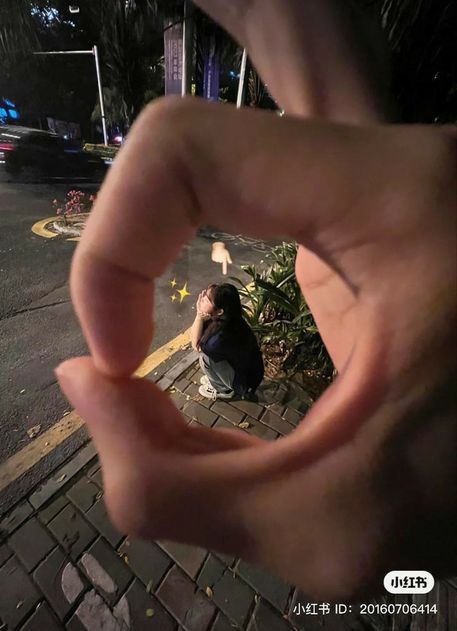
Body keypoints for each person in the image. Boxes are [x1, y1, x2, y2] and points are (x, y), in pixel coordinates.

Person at [55, 0, 456, 601]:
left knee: (202, 372)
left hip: (239, 383)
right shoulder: (241, 320)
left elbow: (194, 348)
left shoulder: (214, 331)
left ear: (215, 306)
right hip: (258, 367)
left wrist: (197, 321)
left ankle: (224, 393)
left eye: (208, 300)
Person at [191, 283, 264, 400]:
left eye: (207, 298)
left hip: (244, 383)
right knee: (210, 355)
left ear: (220, 311)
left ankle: (223, 389)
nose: (202, 297)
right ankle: (219, 379)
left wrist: (199, 315)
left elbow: (195, 345)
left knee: (205, 359)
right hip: (254, 372)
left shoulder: (216, 341)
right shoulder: (232, 318)